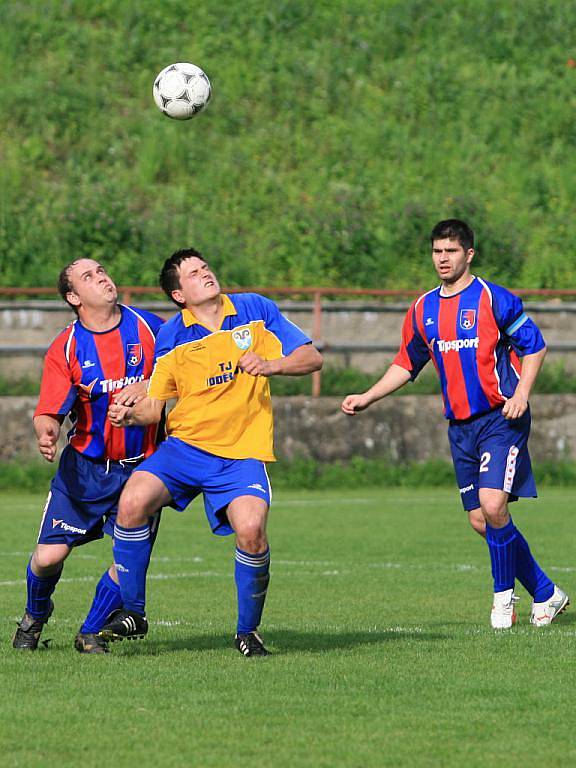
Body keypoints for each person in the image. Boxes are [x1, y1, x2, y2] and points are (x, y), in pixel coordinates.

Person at [342, 219, 568, 630]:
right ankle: (548, 592)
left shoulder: (493, 299)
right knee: (481, 520)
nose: (442, 259)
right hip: (459, 427)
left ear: (469, 254)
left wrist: (522, 395)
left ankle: (503, 603)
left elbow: (535, 347)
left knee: (494, 505)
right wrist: (367, 396)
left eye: (450, 251)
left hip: (502, 418)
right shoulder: (423, 308)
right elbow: (407, 363)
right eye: (436, 251)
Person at [98, 247, 323, 655]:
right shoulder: (171, 336)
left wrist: (271, 366)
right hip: (184, 449)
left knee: (252, 532)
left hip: (240, 454)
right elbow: (154, 406)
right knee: (132, 501)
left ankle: (248, 632)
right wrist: (127, 416)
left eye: (205, 268)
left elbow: (311, 358)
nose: (205, 274)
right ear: (179, 295)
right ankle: (134, 613)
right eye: (193, 274)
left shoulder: (255, 310)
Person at [12, 259, 164, 654]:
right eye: (89, 277)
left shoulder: (150, 327)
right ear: (74, 297)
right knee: (47, 558)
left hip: (143, 470)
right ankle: (34, 615)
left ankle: (90, 632)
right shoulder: (66, 346)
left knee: (128, 560)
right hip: (85, 470)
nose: (102, 278)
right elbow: (50, 410)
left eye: (101, 271)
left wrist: (149, 384)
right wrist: (45, 431)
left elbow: (182, 370)